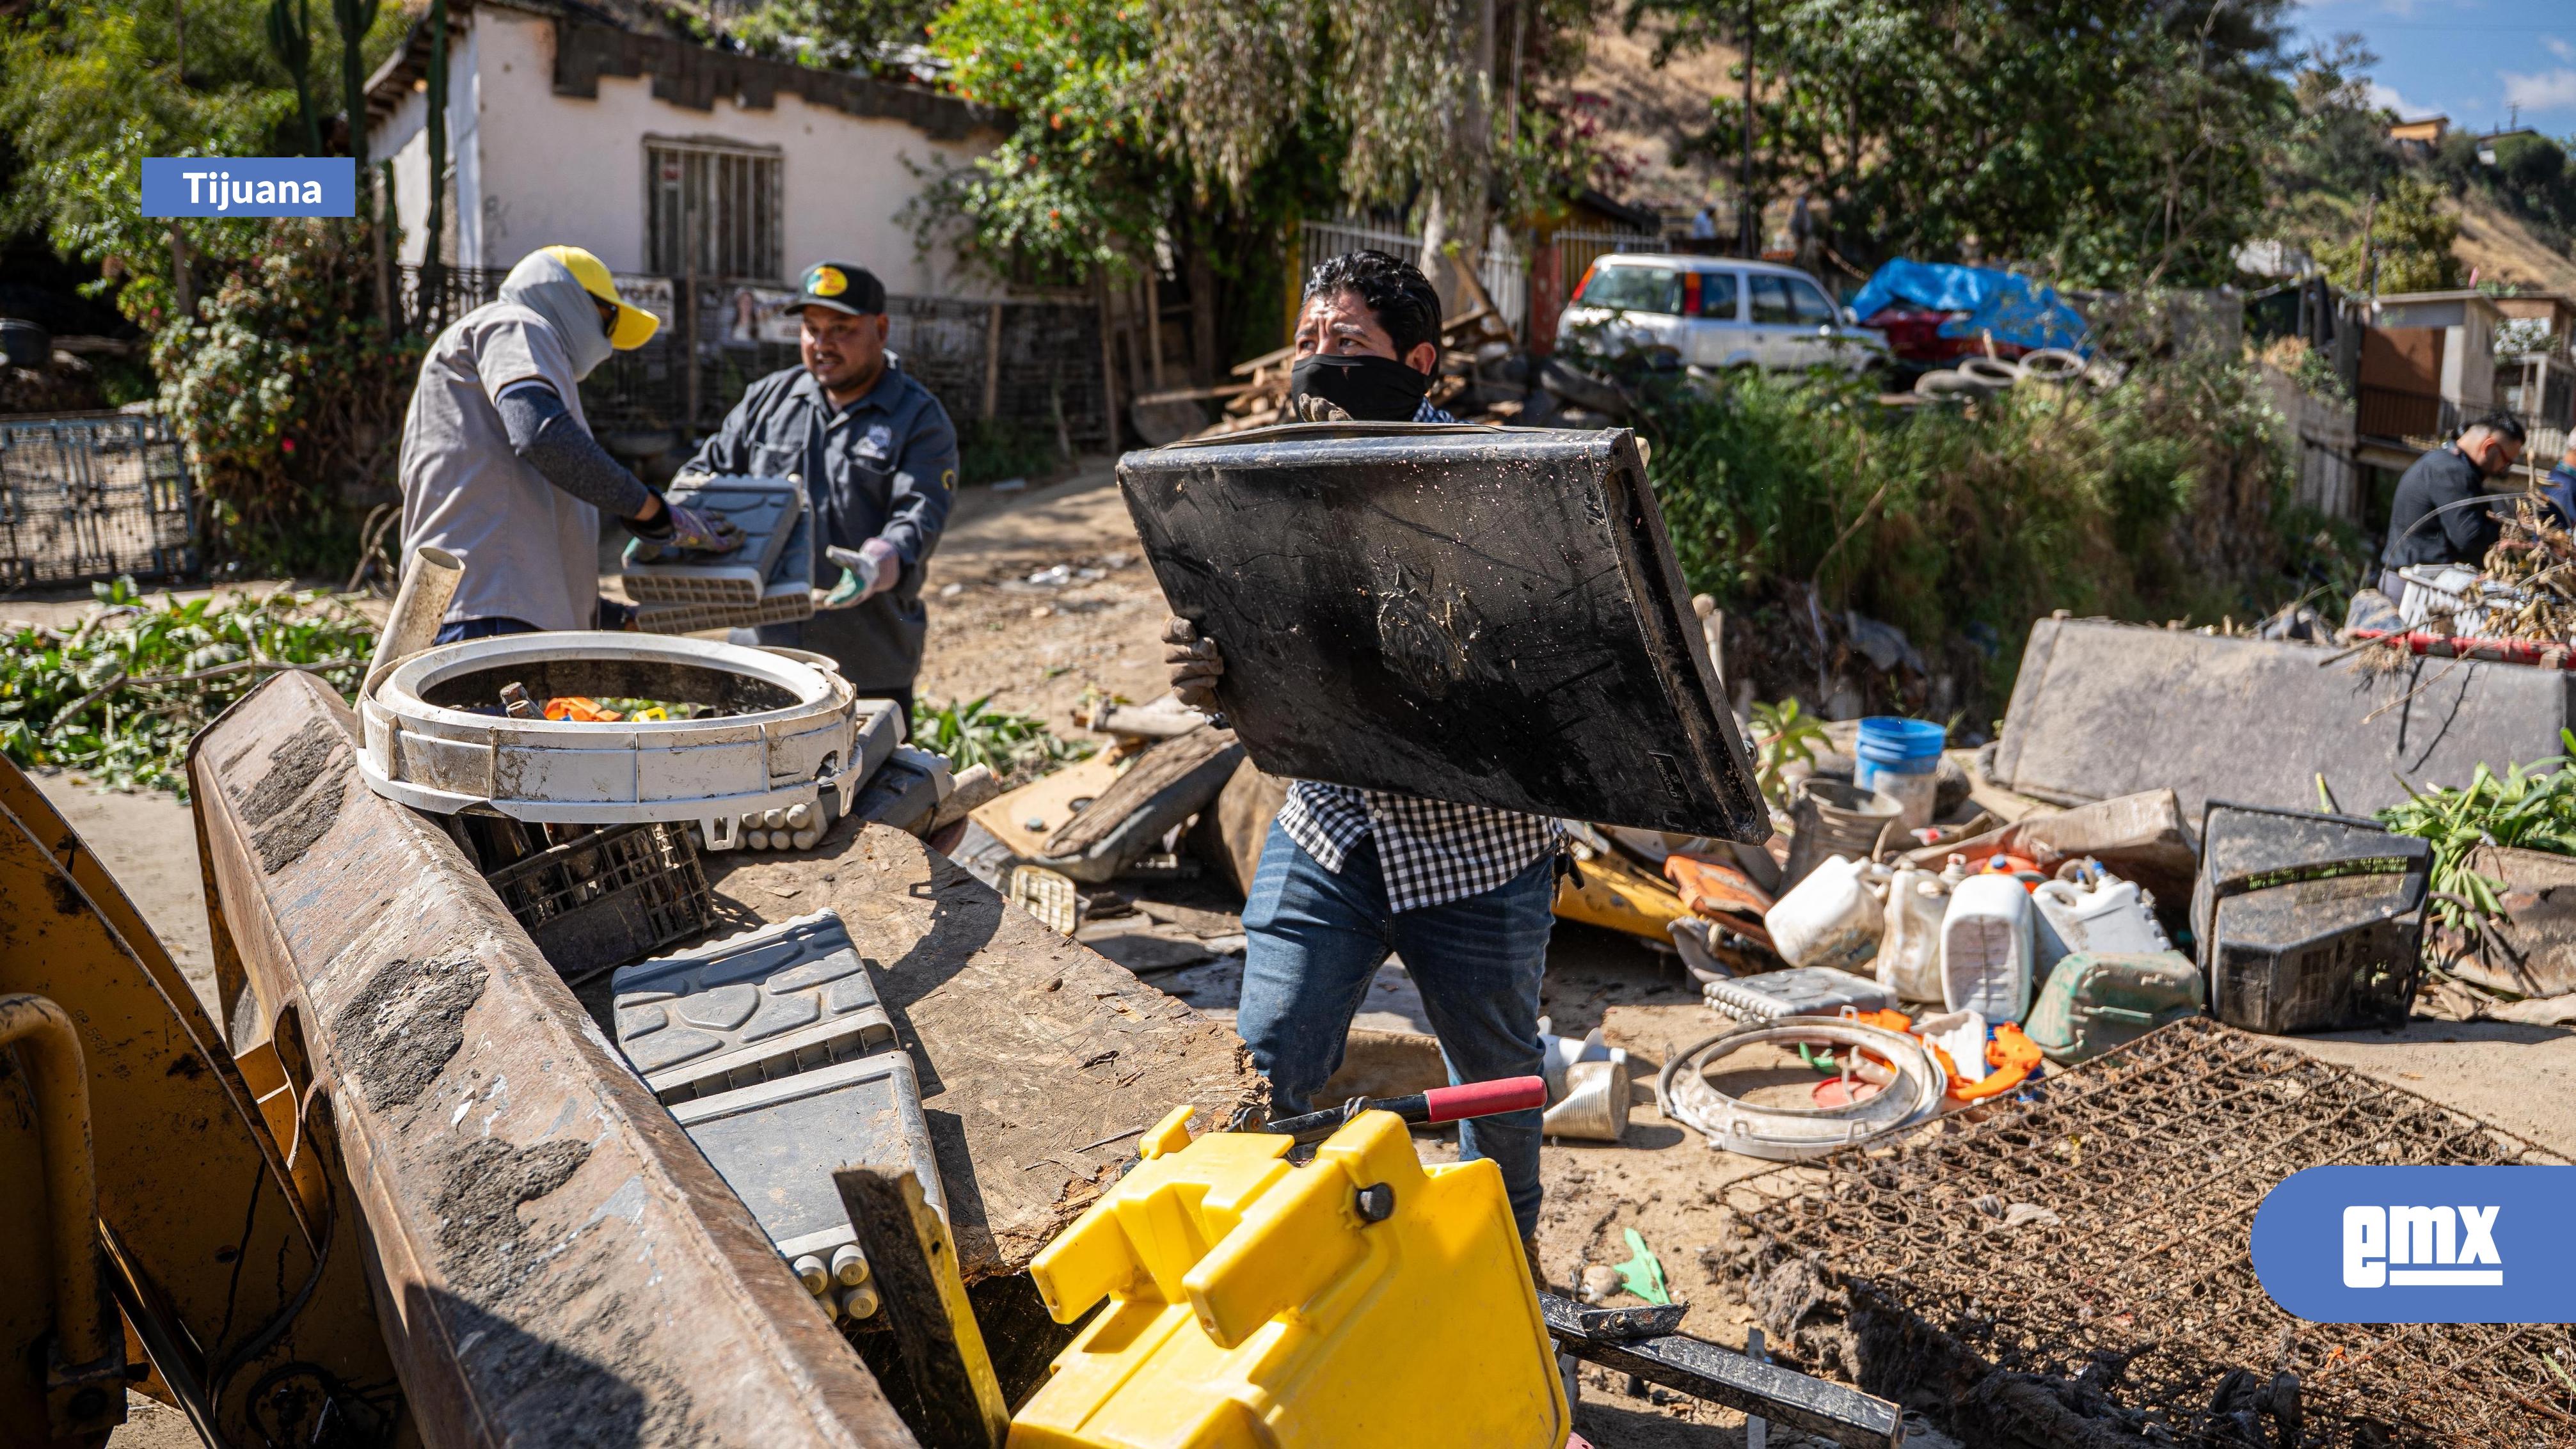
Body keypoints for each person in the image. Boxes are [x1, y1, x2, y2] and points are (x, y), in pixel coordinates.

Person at [1163, 249, 1562, 1275]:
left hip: (1476, 852)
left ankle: (1502, 1289)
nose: (1317, 359)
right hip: (1329, 830)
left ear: (1417, 361)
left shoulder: (1489, 487)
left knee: (1494, 1091)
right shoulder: (1262, 481)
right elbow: (1256, 645)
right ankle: (1274, 1279)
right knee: (1265, 1064)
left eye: (1345, 341)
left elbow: (1546, 665)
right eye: (1307, 340)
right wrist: (1212, 674)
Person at [398, 245, 740, 643]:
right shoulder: (515, 323)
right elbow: (541, 435)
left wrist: (612, 616)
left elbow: (516, 528)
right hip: (489, 614)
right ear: (570, 297)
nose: (607, 345)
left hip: (472, 609)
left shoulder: (487, 361)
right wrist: (654, 513)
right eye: (609, 322)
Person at [678, 262, 958, 727]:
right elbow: (700, 477)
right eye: (811, 329)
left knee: (865, 776)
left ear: (881, 329)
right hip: (762, 659)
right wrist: (678, 519)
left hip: (864, 667)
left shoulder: (918, 419)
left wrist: (873, 565)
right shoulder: (767, 402)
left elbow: (916, 522)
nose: (822, 343)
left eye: (841, 329)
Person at [2379, 413, 2525, 589]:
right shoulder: (2452, 472)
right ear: (2488, 447)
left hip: (2413, 581)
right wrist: (2510, 534)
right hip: (2412, 587)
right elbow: (2469, 538)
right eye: (2506, 462)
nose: (2504, 470)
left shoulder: (2444, 463)